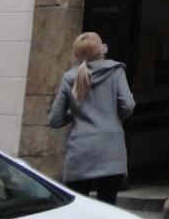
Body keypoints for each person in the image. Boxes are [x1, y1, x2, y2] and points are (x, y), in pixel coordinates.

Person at [48, 32, 135, 204]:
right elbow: (128, 105)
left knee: (79, 206)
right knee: (108, 205)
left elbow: (55, 119)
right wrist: (114, 117)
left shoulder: (69, 78)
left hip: (80, 149)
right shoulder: (115, 71)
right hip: (111, 149)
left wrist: (75, 114)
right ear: (100, 50)